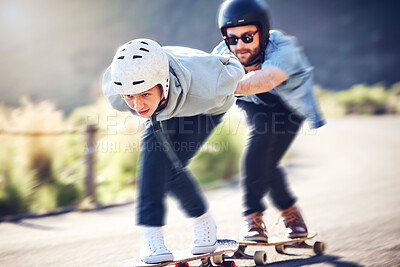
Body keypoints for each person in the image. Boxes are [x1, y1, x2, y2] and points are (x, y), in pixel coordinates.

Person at [102, 38, 244, 263]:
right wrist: (143, 98)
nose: (137, 106)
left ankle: (204, 226)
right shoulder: (117, 88)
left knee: (167, 167)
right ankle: (154, 240)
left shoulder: (209, 85)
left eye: (144, 94)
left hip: (205, 110)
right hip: (162, 109)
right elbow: (137, 99)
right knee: (156, 165)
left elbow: (235, 68)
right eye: (130, 96)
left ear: (164, 83)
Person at [213, 0, 326, 242]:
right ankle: (255, 218)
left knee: (268, 161)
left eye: (247, 37)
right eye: (232, 39)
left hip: (289, 106)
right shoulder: (221, 56)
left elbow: (266, 79)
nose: (239, 46)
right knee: (262, 138)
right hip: (254, 105)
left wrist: (220, 86)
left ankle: (289, 212)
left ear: (262, 32)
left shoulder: (284, 47)